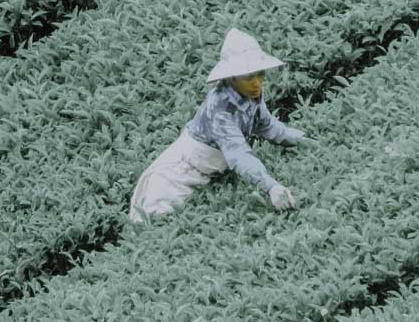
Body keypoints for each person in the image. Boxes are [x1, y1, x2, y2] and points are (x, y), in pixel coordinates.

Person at [129, 28, 316, 223]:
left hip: (213, 169)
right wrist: (271, 187)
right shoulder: (220, 109)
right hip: (181, 172)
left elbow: (267, 126)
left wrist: (303, 141)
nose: (257, 84)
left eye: (260, 74)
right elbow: (238, 154)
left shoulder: (252, 94)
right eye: (248, 77)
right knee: (155, 218)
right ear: (231, 77)